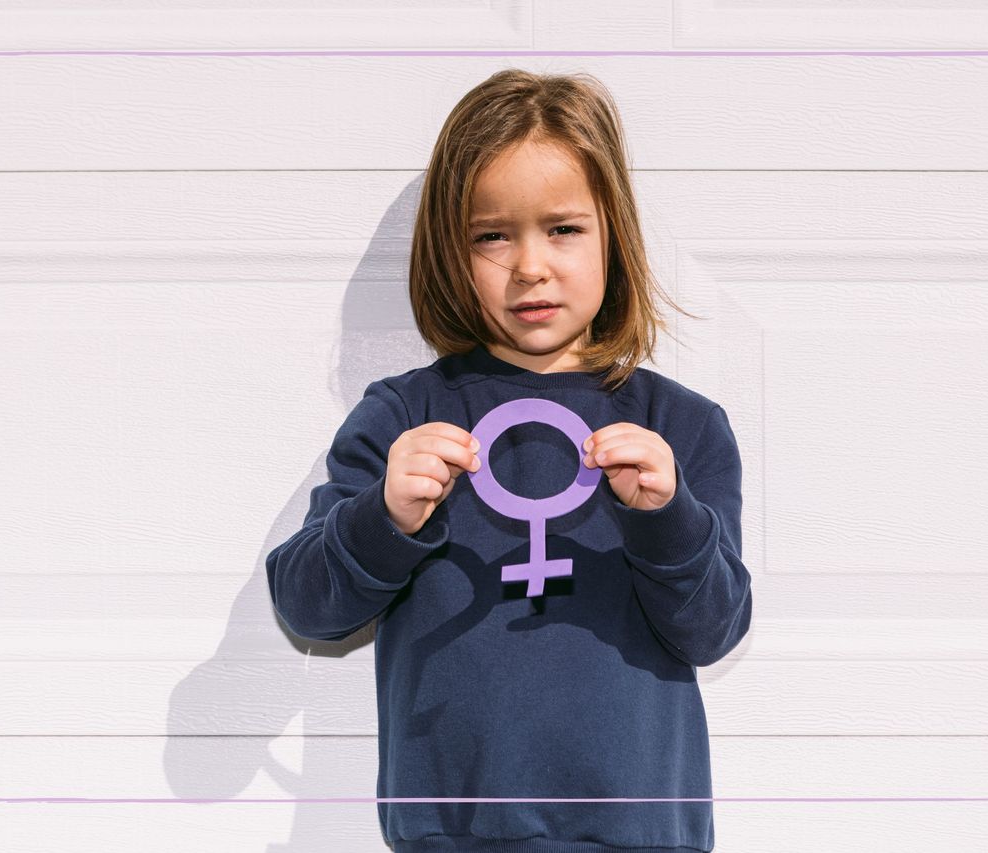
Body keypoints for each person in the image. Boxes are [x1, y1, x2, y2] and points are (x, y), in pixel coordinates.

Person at [265, 68, 753, 853]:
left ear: (613, 235)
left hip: (641, 835)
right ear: (450, 252)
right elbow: (307, 606)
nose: (530, 265)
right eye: (492, 234)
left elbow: (716, 626)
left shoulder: (679, 427)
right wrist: (384, 518)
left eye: (563, 228)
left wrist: (668, 519)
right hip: (451, 835)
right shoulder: (403, 417)